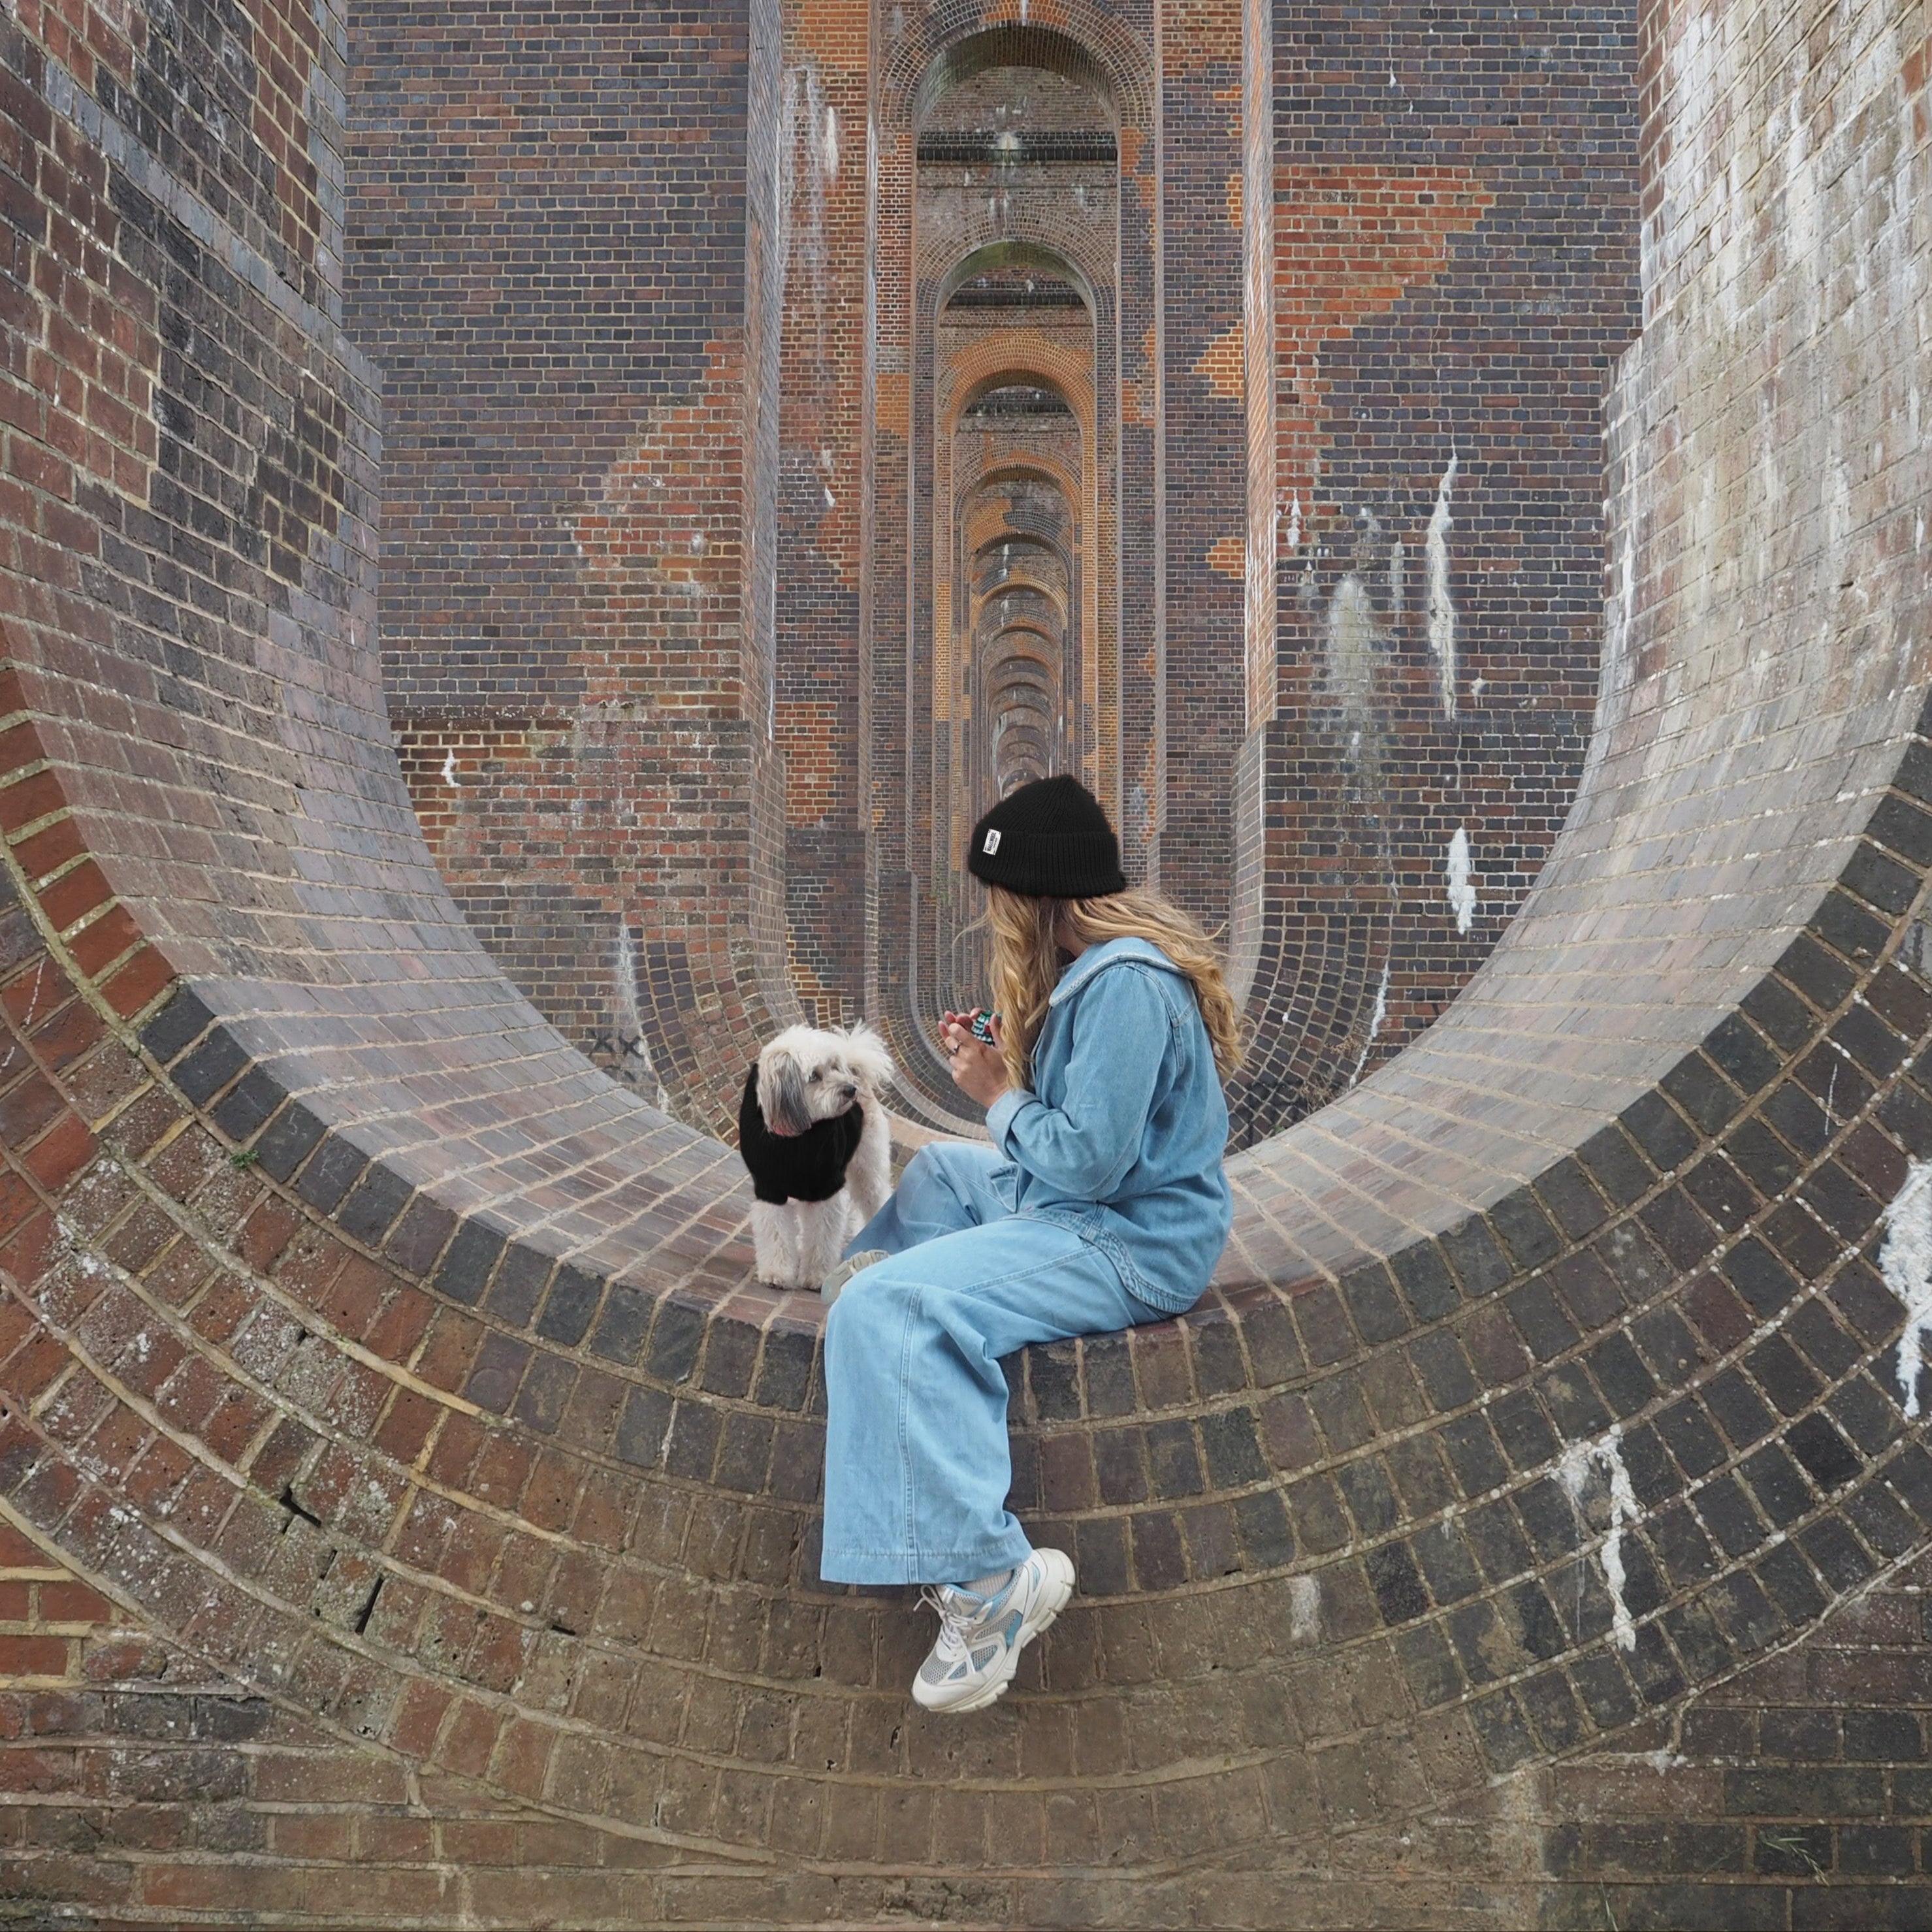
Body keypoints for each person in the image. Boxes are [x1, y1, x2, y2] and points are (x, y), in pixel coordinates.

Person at [816, 773, 1244, 1714]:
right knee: (935, 1178)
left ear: (1039, 892)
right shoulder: (1097, 975)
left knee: (886, 1306)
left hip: (1123, 1238)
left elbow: (1089, 1163)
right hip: (1079, 1206)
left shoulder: (1127, 986)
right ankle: (884, 1354)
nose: (992, 912)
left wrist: (994, 1095)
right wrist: (1009, 1066)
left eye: (998, 893)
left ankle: (988, 1581)